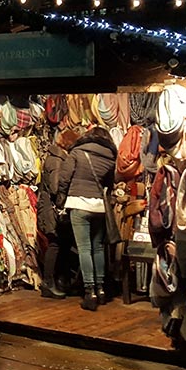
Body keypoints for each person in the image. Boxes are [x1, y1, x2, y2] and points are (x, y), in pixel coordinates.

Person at [58, 125, 118, 311]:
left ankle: (89, 291)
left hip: (79, 203)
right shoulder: (110, 157)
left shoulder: (77, 152)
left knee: (84, 249)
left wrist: (61, 198)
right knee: (98, 248)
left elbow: (64, 178)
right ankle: (101, 290)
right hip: (99, 206)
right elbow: (109, 184)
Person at [36, 129, 80, 300]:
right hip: (51, 209)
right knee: (54, 244)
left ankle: (58, 281)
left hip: (50, 208)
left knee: (60, 244)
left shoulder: (56, 158)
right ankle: (48, 283)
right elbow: (55, 187)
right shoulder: (56, 160)